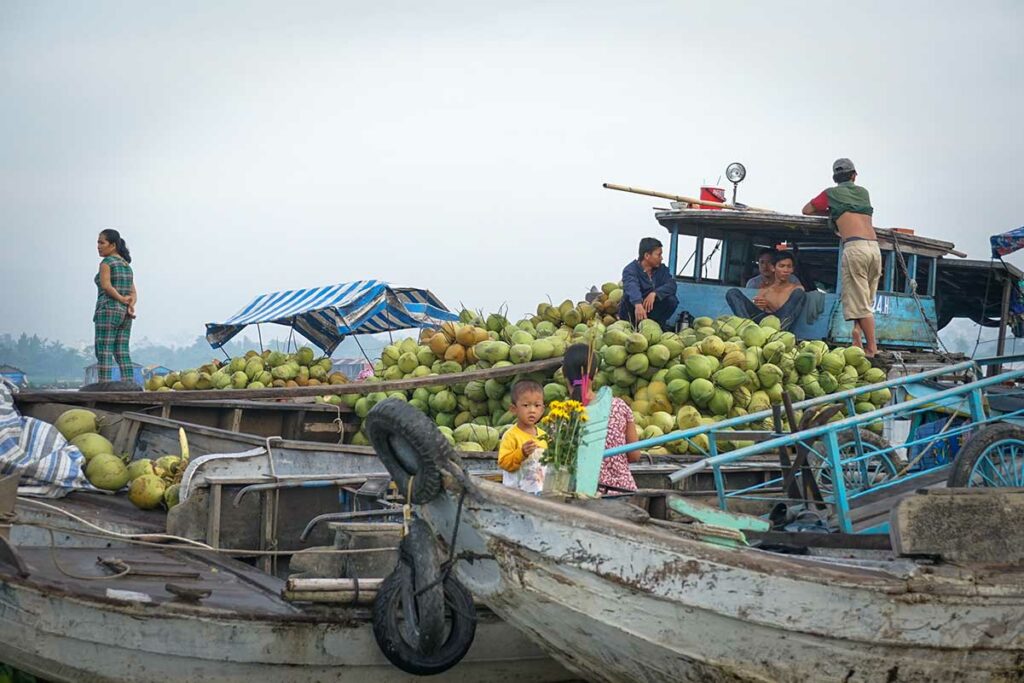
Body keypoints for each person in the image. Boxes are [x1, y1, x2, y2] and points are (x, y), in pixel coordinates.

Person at [802, 158, 881, 357]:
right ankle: (857, 333)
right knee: (864, 297)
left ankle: (871, 348)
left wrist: (830, 212)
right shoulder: (864, 193)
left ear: (834, 178)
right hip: (874, 248)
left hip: (855, 247)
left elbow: (806, 210)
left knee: (860, 302)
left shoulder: (831, 193)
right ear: (854, 175)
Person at [561, 343, 640, 493]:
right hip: (623, 491)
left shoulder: (559, 416)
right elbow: (635, 455)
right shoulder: (618, 406)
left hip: (581, 494)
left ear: (564, 374)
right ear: (596, 372)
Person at [94, 229, 137, 383]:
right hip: (125, 313)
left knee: (104, 349)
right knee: (122, 350)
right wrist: (130, 304)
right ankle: (129, 384)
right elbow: (133, 292)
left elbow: (106, 286)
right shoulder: (126, 265)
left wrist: (120, 298)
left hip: (108, 310)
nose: (98, 246)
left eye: (101, 242)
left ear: (112, 245)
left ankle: (104, 386)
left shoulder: (106, 263)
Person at [726, 251, 806, 330]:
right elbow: (759, 311)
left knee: (799, 293)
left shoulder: (797, 289)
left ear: (792, 269)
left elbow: (788, 314)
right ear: (773, 268)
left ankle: (776, 334)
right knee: (732, 293)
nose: (785, 270)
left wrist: (769, 304)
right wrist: (758, 304)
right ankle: (747, 328)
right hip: (762, 322)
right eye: (781, 266)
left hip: (779, 324)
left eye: (789, 266)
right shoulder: (764, 289)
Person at [498, 379, 548, 493]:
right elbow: (504, 463)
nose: (532, 410)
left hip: (539, 495)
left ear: (542, 409)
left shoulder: (544, 436)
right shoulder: (511, 435)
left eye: (537, 405)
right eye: (526, 405)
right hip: (516, 495)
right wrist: (522, 453)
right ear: (513, 409)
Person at [619, 237, 679, 330]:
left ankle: (657, 326)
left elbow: (671, 285)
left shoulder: (662, 270)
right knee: (628, 297)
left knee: (671, 300)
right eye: (658, 255)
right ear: (647, 256)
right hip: (633, 312)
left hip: (651, 312)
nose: (661, 258)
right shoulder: (630, 270)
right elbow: (632, 286)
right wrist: (637, 304)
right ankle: (631, 326)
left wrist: (655, 293)